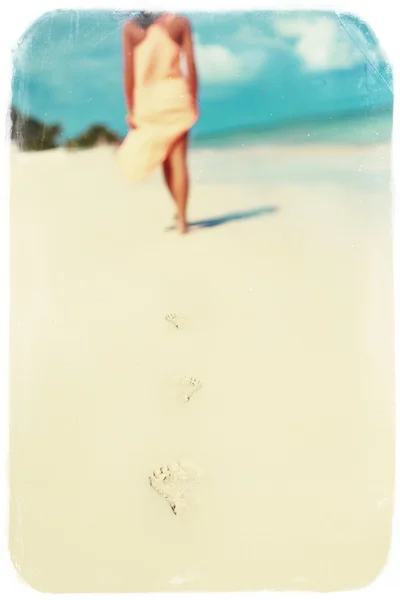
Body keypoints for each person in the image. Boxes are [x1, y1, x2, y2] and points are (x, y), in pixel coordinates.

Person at [119, 11, 199, 234]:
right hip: (176, 96)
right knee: (179, 161)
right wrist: (193, 98)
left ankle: (179, 212)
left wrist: (131, 108)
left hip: (148, 103)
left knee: (166, 161)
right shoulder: (180, 22)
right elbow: (191, 66)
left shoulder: (130, 28)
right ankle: (182, 219)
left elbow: (129, 72)